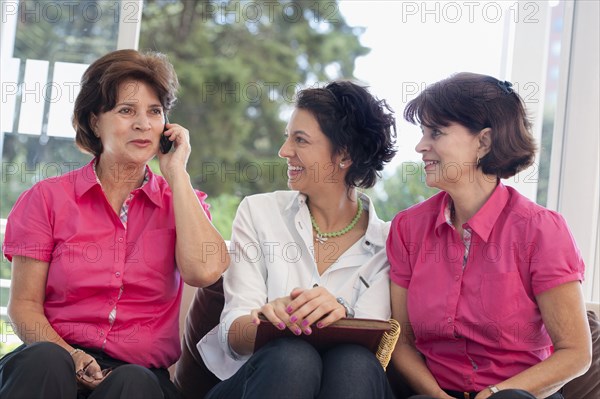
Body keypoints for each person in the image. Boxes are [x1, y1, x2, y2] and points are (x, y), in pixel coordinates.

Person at [0, 49, 229, 399]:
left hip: (138, 376)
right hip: (55, 355)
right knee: (44, 362)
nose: (143, 124)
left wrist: (176, 173)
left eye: (155, 112)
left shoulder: (181, 202)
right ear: (94, 121)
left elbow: (205, 272)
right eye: (126, 111)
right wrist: (72, 355)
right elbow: (24, 307)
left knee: (133, 383)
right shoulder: (46, 199)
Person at [386, 72, 592, 399]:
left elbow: (576, 353)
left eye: (436, 133)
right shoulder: (407, 229)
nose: (421, 146)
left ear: (483, 141)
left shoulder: (541, 230)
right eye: (423, 133)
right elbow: (402, 341)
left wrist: (494, 393)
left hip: (520, 394)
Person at [196, 80, 397, 399]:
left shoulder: (388, 243)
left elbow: (373, 344)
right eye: (287, 138)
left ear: (343, 155)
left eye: (300, 140)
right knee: (293, 356)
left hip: (345, 383)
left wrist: (340, 313)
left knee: (354, 362)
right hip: (256, 383)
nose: (284, 151)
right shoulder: (259, 212)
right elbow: (232, 335)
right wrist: (266, 323)